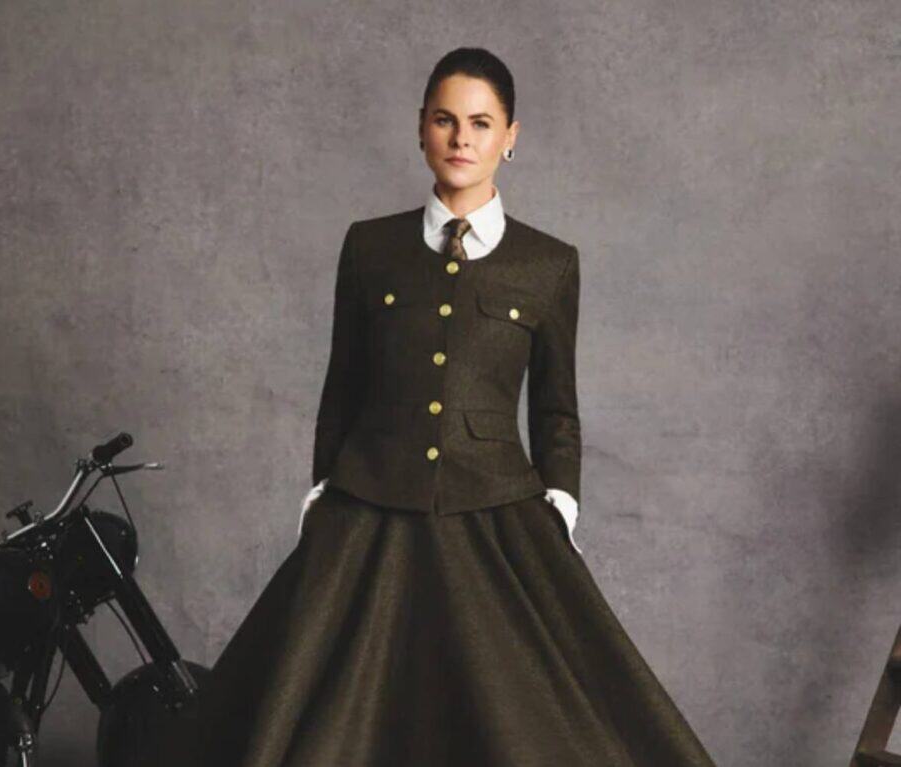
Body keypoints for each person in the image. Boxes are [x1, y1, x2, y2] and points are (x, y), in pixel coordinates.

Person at [138, 47, 718, 766]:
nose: (461, 138)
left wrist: (560, 508)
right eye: (445, 120)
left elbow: (557, 410)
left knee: (527, 721)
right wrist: (323, 494)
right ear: (421, 129)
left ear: (510, 137)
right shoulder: (369, 247)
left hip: (497, 513)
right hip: (367, 511)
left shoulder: (549, 263)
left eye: (481, 123)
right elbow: (342, 387)